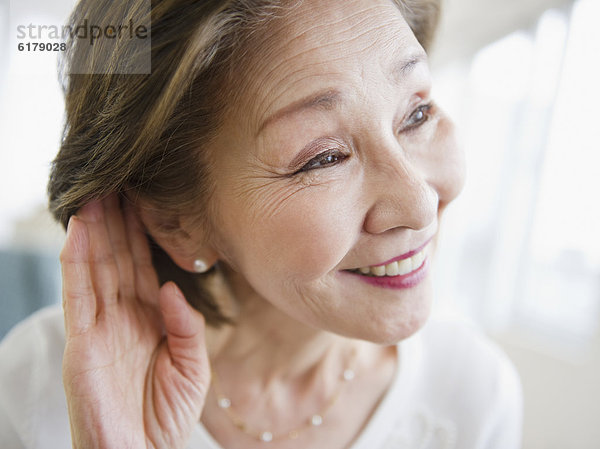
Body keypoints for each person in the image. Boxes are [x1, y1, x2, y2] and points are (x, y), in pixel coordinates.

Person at [0, 0, 523, 448]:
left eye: (417, 114)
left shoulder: (473, 397)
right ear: (178, 224)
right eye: (325, 158)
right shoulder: (35, 389)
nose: (419, 204)